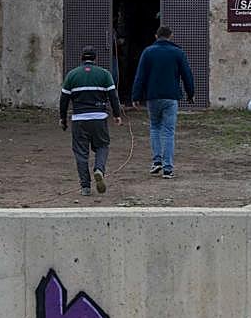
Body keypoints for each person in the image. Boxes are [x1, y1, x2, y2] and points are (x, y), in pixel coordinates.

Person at [130, 26, 194, 179]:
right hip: (171, 97)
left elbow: (140, 76)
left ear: (156, 36)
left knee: (155, 127)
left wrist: (136, 96)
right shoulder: (178, 52)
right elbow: (187, 74)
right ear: (170, 36)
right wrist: (190, 94)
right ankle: (168, 168)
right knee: (168, 132)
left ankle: (157, 160)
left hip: (153, 96)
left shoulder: (148, 52)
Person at [59, 46, 123, 198]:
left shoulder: (72, 75)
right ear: (95, 59)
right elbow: (113, 96)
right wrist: (116, 114)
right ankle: (99, 169)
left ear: (82, 58)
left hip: (79, 119)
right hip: (99, 118)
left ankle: (85, 187)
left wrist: (63, 118)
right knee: (102, 145)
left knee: (81, 153)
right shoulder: (105, 74)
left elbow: (64, 99)